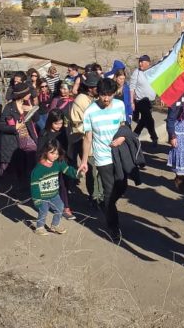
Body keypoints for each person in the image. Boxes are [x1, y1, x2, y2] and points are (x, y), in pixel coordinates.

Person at [80, 78, 129, 241]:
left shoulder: (120, 106)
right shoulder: (90, 112)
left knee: (121, 186)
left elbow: (123, 125)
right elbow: (88, 138)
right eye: (102, 95)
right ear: (97, 94)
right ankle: (113, 228)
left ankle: (107, 204)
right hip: (102, 157)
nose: (106, 99)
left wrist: (122, 137)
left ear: (114, 93)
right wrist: (84, 161)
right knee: (109, 191)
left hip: (119, 155)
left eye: (109, 95)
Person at [31, 141, 86, 235]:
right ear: (45, 152)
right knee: (43, 211)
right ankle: (39, 227)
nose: (55, 156)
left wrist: (78, 173)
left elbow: (67, 170)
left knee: (60, 207)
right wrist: (36, 199)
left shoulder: (58, 163)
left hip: (54, 194)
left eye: (57, 153)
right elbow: (34, 185)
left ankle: (54, 225)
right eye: (52, 153)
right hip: (42, 196)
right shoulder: (39, 168)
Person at [37, 110, 76, 220]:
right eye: (56, 123)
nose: (59, 126)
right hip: (51, 164)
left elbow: (68, 145)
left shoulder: (63, 131)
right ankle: (66, 208)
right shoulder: (44, 134)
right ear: (50, 122)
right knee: (60, 184)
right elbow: (40, 151)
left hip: (63, 161)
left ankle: (61, 204)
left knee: (65, 184)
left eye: (61, 123)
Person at [70, 73, 102, 208]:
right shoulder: (81, 100)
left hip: (99, 141)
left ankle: (101, 195)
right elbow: (77, 123)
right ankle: (94, 197)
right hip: (86, 141)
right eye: (97, 87)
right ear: (90, 88)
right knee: (92, 172)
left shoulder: (96, 98)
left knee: (101, 170)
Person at [0, 82, 39, 185]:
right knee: (14, 166)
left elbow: (37, 119)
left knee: (32, 159)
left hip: (27, 138)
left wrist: (32, 110)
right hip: (14, 140)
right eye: (28, 93)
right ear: (22, 95)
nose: (30, 95)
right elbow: (1, 126)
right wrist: (14, 127)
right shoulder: (9, 108)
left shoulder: (28, 104)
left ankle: (29, 183)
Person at [130, 55, 159, 145]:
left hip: (151, 101)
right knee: (149, 118)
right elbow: (132, 88)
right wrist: (131, 102)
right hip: (140, 101)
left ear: (148, 63)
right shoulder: (136, 73)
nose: (140, 63)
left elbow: (158, 84)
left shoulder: (153, 72)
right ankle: (154, 137)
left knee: (144, 119)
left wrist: (161, 97)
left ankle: (135, 135)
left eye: (142, 62)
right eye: (139, 62)